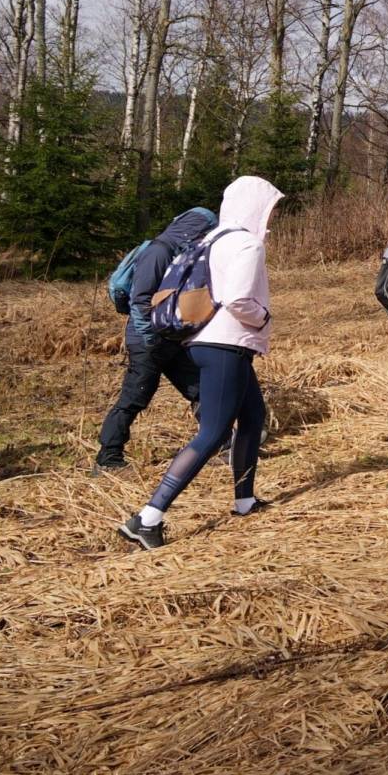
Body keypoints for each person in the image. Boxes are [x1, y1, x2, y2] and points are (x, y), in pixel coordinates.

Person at [118, 175, 282, 550]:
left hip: (206, 341)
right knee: (211, 433)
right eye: (269, 209)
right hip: (227, 345)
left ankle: (244, 501)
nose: (271, 218)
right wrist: (264, 318)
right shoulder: (247, 244)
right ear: (256, 208)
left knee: (253, 416)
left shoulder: (211, 238)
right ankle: (147, 518)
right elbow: (238, 300)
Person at [94, 206, 216, 472]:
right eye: (205, 230)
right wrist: (149, 337)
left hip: (169, 338)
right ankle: (108, 458)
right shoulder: (159, 251)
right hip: (147, 339)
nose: (206, 237)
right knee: (135, 396)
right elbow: (140, 299)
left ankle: (222, 443)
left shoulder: (181, 253)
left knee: (199, 388)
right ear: (192, 228)